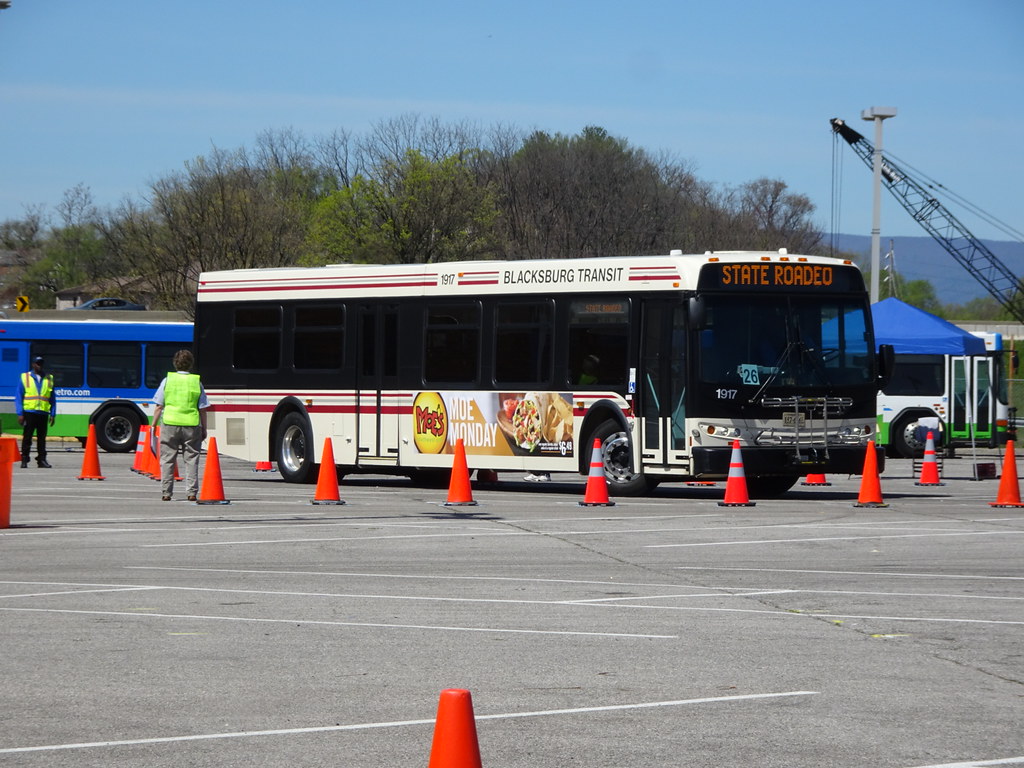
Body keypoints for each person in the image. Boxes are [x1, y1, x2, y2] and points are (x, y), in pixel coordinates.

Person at [152, 349, 209, 501]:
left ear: (175, 363)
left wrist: (153, 425)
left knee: (167, 459)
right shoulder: (196, 381)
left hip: (170, 423)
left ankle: (166, 492)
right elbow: (202, 408)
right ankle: (191, 492)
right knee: (191, 459)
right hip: (191, 424)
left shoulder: (167, 380)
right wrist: (204, 428)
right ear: (191, 364)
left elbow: (159, 406)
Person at [17, 355, 56, 468]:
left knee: (42, 438)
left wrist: (53, 413)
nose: (39, 366)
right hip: (29, 412)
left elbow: (52, 398)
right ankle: (24, 459)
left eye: (41, 363)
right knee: (27, 437)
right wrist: (20, 413)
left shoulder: (49, 378)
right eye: (37, 363)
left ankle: (41, 460)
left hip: (43, 412)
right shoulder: (25, 377)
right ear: (33, 364)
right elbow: (19, 396)